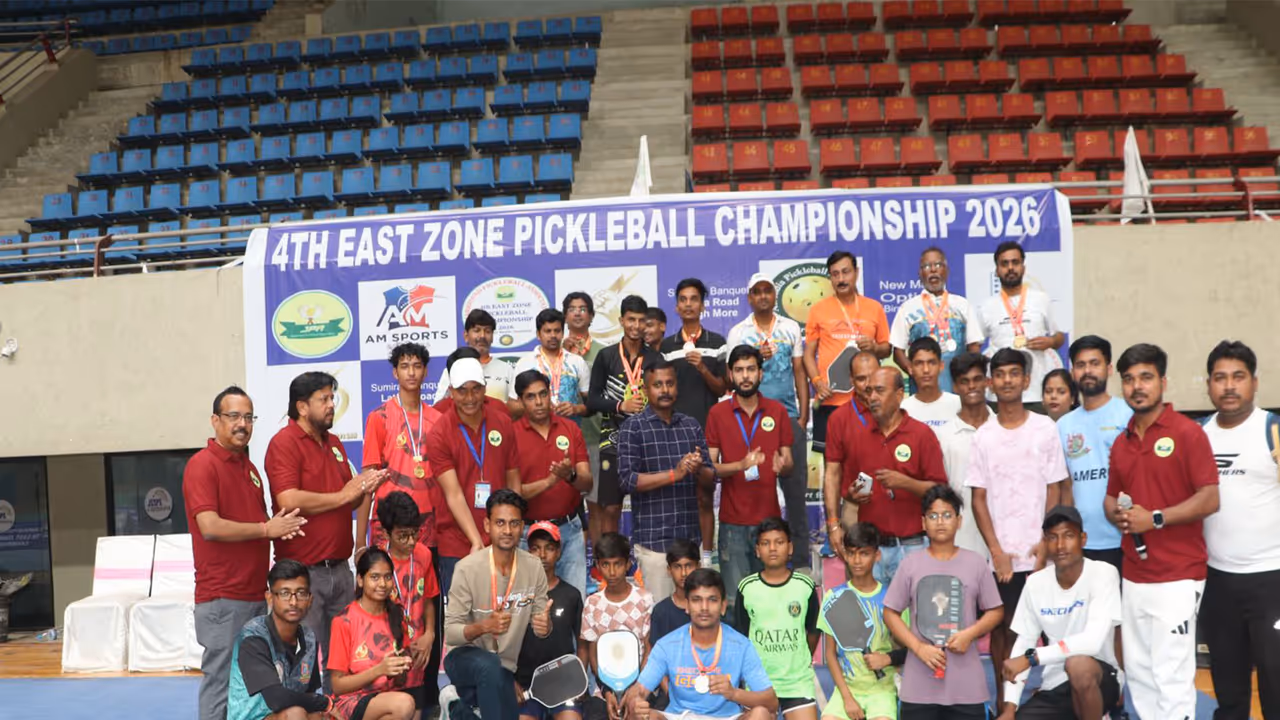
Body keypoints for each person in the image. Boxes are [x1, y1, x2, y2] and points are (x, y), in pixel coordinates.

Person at [1104, 343, 1219, 720]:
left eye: (1146, 377)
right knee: (1139, 674)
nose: (1137, 386)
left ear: (1163, 382)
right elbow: (1110, 498)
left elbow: (1209, 499)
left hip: (1178, 575)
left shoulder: (1189, 434)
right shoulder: (1122, 442)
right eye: (1129, 379)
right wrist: (1118, 516)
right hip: (1135, 576)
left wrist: (1154, 519)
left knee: (1171, 675)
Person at [187, 386, 307, 720]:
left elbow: (260, 526)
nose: (242, 424)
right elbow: (209, 525)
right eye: (234, 416)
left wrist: (276, 528)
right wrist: (266, 529)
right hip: (223, 599)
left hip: (254, 596)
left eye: (249, 417)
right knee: (221, 683)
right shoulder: (202, 465)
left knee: (248, 688)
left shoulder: (250, 469)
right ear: (215, 420)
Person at [265, 372, 389, 684]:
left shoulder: (334, 443)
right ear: (302, 407)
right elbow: (288, 497)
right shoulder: (283, 443)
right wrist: (345, 494)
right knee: (303, 665)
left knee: (348, 660)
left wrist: (364, 487)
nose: (332, 405)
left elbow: (345, 500)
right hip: (303, 574)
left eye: (332, 398)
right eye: (325, 399)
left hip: (341, 571)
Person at [967, 348, 1069, 708]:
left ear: (1027, 380)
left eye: (1015, 373)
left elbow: (1055, 488)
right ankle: (1004, 707)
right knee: (1003, 633)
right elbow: (978, 499)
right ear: (992, 383)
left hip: (1041, 554)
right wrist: (996, 552)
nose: (1008, 380)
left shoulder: (1045, 428)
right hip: (1004, 559)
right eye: (1001, 374)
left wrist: (1046, 544)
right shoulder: (983, 436)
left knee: (1052, 631)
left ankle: (1054, 703)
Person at [1198, 340, 1280, 720]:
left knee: (1276, 687)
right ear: (1209, 384)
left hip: (1272, 583)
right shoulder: (1198, 436)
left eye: (1238, 377)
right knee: (1229, 693)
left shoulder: (1272, 429)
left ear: (1255, 382)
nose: (1229, 386)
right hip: (1218, 585)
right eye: (1220, 378)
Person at [884, 485, 1004, 720]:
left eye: (947, 515)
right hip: (919, 686)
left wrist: (970, 634)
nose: (940, 522)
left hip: (966, 686)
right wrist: (918, 648)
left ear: (959, 521)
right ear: (923, 522)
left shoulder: (976, 563)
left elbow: (996, 611)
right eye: (933, 515)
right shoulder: (910, 565)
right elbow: (890, 613)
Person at [997, 506, 1123, 720]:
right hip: (1055, 684)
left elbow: (1091, 642)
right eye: (1053, 538)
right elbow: (1023, 643)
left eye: (1069, 536)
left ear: (1083, 539)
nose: (1061, 545)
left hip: (1100, 678)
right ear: (1045, 543)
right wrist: (1010, 708)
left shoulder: (1104, 573)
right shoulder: (1035, 584)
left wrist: (1032, 658)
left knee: (1078, 666)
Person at [824, 367, 947, 585]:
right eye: (869, 391)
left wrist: (906, 483)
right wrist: (853, 494)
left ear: (899, 395)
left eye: (879, 391)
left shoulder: (921, 435)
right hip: (872, 551)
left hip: (913, 547)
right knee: (872, 616)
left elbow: (941, 493)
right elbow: (848, 492)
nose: (872, 397)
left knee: (914, 617)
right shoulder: (859, 438)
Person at [726, 273, 811, 571]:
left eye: (767, 291)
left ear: (774, 295)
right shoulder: (739, 332)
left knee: (796, 496)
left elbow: (799, 370)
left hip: (788, 416)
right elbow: (733, 376)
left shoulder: (789, 328)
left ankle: (801, 566)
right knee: (758, 493)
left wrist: (803, 415)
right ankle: (758, 562)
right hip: (753, 420)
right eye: (756, 292)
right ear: (749, 297)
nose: (762, 296)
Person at [442, 489, 552, 719]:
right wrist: (484, 627)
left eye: (513, 523)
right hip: (463, 657)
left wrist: (545, 626)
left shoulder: (534, 567)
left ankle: (456, 708)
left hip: (503, 669)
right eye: (500, 523)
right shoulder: (467, 568)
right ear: (487, 525)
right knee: (489, 666)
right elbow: (451, 634)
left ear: (522, 527)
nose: (507, 530)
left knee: (502, 700)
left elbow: (542, 626)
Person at [424, 352, 521, 600]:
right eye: (462, 390)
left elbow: (513, 480)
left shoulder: (502, 422)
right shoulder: (439, 434)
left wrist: (513, 527)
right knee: (464, 624)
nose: (470, 398)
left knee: (505, 617)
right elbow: (453, 494)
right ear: (451, 392)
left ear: (485, 388)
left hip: (502, 538)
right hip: (458, 544)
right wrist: (477, 542)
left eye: (476, 389)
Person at [617, 358, 716, 600]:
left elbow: (711, 478)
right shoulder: (633, 428)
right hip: (654, 545)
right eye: (658, 385)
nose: (665, 390)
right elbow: (627, 480)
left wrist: (698, 468)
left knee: (695, 617)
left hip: (690, 543)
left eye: (670, 384)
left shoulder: (691, 426)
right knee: (661, 618)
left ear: (677, 387)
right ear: (646, 389)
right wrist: (676, 473)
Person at [706, 345, 794, 613]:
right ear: (730, 375)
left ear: (760, 373)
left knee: (770, 602)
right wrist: (740, 465)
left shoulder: (777, 411)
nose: (745, 376)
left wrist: (784, 464)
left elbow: (787, 462)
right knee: (735, 604)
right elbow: (710, 468)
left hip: (770, 525)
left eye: (751, 369)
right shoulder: (717, 414)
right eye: (739, 370)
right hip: (732, 524)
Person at [624, 569, 779, 720]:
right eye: (696, 600)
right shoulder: (667, 645)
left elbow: (772, 702)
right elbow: (640, 690)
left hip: (728, 717)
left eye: (712, 600)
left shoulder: (741, 645)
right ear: (687, 605)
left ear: (723, 606)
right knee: (640, 715)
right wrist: (636, 702)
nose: (704, 607)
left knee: (761, 714)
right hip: (680, 716)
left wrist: (733, 693)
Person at [659, 278, 728, 567]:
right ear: (676, 307)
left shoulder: (717, 343)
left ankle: (708, 557)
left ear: (702, 305)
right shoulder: (666, 346)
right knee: (675, 498)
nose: (688, 304)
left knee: (703, 497)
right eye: (683, 299)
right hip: (671, 433)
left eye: (694, 299)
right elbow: (661, 390)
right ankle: (679, 559)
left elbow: (722, 388)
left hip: (706, 433)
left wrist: (701, 366)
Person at [586, 295, 661, 540]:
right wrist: (621, 405)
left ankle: (644, 561)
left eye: (641, 320)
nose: (636, 326)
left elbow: (664, 400)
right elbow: (593, 400)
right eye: (631, 320)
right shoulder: (606, 356)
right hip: (612, 442)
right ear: (621, 320)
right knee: (611, 507)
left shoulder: (655, 359)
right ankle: (610, 563)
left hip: (647, 443)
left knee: (648, 506)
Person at [513, 368, 593, 597]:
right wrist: (550, 481)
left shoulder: (570, 428)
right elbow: (513, 493)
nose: (539, 402)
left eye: (543, 394)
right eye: (531, 397)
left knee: (574, 604)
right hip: (529, 536)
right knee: (529, 610)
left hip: (569, 532)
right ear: (520, 401)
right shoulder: (511, 435)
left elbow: (587, 484)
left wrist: (571, 477)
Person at [732, 518, 820, 720]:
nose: (772, 548)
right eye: (765, 543)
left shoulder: (805, 585)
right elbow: (741, 636)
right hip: (758, 681)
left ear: (790, 547)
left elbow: (814, 631)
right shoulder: (747, 587)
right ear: (757, 550)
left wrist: (799, 659)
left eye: (779, 542)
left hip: (797, 681)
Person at [359, 343, 442, 556]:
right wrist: (359, 543)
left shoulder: (438, 420)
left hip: (428, 528)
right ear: (395, 373)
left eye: (417, 366)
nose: (411, 372)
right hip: (387, 529)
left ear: (425, 371)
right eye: (405, 366)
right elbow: (367, 482)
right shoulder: (379, 417)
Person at [804, 252, 890, 458]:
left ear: (856, 273)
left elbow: (886, 349)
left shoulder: (874, 308)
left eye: (845, 272)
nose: (841, 279)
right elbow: (808, 354)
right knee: (832, 463)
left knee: (871, 459)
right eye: (835, 274)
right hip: (829, 401)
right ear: (830, 279)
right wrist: (817, 382)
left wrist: (874, 348)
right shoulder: (818, 310)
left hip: (868, 400)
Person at [1057, 336, 1130, 576]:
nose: (1087, 371)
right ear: (1073, 371)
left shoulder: (1128, 414)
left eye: (1094, 363)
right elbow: (1065, 486)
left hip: (1123, 540)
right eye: (1080, 365)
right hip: (1082, 542)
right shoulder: (1064, 425)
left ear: (1109, 369)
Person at [820, 523, 906, 720]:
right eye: (851, 553)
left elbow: (908, 650)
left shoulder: (892, 598)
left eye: (864, 553)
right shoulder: (834, 597)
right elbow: (830, 654)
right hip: (847, 690)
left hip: (882, 691)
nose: (857, 560)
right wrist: (848, 698)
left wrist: (887, 659)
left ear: (877, 555)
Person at [227, 560, 328, 720]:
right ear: (270, 598)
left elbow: (309, 694)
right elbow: (276, 699)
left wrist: (322, 709)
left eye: (301, 593)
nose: (293, 602)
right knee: (296, 714)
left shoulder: (309, 638)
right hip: (254, 717)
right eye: (285, 593)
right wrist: (325, 702)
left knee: (317, 716)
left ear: (310, 599)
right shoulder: (253, 637)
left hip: (288, 713)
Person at [327, 548, 418, 720]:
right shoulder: (344, 621)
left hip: (385, 698)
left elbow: (400, 682)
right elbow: (337, 686)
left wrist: (398, 669)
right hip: (350, 701)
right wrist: (379, 670)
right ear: (360, 580)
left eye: (387, 577)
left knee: (400, 707)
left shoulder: (397, 615)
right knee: (404, 704)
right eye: (374, 577)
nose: (382, 584)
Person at [375, 491, 440, 714]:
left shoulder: (423, 555)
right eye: (403, 536)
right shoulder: (376, 562)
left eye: (415, 533)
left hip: (418, 651)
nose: (411, 541)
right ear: (386, 533)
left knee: (416, 708)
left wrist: (430, 634)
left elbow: (430, 598)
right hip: (386, 655)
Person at [977, 242, 1064, 405]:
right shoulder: (986, 306)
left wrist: (1050, 342)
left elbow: (1059, 337)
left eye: (1015, 262)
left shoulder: (1041, 299)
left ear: (1023, 267)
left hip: (1036, 392)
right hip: (999, 395)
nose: (1010, 268)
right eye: (1004, 264)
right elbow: (974, 348)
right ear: (997, 271)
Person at [889, 247, 984, 394]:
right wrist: (914, 372)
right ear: (919, 274)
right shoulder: (907, 308)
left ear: (946, 270)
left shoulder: (962, 304)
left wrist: (969, 376)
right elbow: (897, 352)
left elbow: (974, 346)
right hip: (922, 390)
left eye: (938, 265)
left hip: (958, 388)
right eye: (927, 266)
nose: (933, 270)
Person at [516, 521, 586, 720]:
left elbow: (582, 644)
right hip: (525, 687)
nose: (542, 555)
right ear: (528, 552)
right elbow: (502, 644)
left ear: (559, 553)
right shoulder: (516, 595)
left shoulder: (571, 595)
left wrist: (579, 682)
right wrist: (510, 681)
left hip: (564, 685)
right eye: (536, 548)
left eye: (549, 548)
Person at [581, 532, 655, 719]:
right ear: (597, 566)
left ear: (628, 564)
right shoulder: (592, 603)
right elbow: (593, 652)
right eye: (606, 564)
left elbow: (648, 647)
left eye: (618, 564)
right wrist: (607, 690)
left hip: (640, 685)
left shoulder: (645, 599)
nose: (612, 572)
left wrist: (636, 688)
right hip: (604, 689)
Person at [562, 292, 606, 566]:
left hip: (593, 436)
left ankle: (601, 567)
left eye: (583, 309)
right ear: (566, 315)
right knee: (564, 504)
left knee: (596, 505)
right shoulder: (553, 351)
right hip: (558, 440)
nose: (577, 313)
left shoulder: (603, 352)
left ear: (591, 316)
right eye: (572, 309)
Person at [935, 353, 992, 559]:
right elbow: (942, 492)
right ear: (955, 387)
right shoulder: (944, 436)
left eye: (977, 380)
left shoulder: (1002, 429)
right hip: (961, 540)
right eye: (964, 382)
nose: (972, 387)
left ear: (987, 382)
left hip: (1004, 544)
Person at [509, 308, 591, 421]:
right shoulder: (525, 363)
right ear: (538, 334)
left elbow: (592, 406)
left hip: (569, 433)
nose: (553, 335)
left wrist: (576, 409)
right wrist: (539, 407)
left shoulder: (577, 362)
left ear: (563, 333)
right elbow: (512, 406)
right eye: (547, 331)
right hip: (534, 434)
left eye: (557, 331)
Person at [433, 309, 515, 403]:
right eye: (477, 330)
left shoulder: (507, 369)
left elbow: (515, 406)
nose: (482, 336)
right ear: (466, 336)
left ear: (492, 337)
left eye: (487, 331)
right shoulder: (453, 369)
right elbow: (439, 407)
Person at [900, 336, 961, 429]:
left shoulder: (958, 405)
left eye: (931, 362)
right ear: (910, 368)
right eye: (919, 363)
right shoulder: (903, 410)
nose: (926, 370)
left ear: (941, 366)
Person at [649, 539, 701, 647]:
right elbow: (657, 653)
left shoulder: (708, 607)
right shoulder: (660, 612)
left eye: (689, 566)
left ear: (698, 567)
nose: (684, 573)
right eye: (677, 567)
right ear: (669, 570)